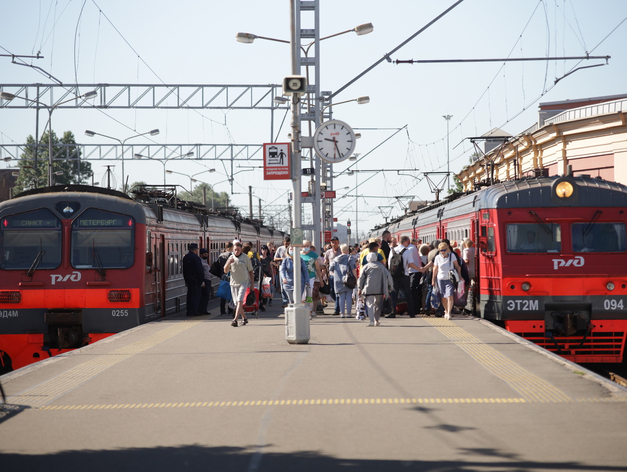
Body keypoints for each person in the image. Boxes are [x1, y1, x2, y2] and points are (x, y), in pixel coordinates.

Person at [387, 235, 430, 318]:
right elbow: (410, 264)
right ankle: (411, 312)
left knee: (394, 293)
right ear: (406, 241)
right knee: (408, 294)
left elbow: (389, 264)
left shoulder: (392, 250)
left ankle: (393, 312)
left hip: (394, 275)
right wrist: (420, 269)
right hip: (404, 275)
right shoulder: (407, 251)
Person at [358, 252, 394, 327]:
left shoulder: (366, 267)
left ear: (368, 259)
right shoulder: (382, 267)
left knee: (370, 304)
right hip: (380, 289)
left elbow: (361, 279)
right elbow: (389, 277)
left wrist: (359, 288)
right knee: (377, 304)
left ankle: (371, 321)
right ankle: (376, 320)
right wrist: (391, 287)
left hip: (368, 289)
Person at [223, 241, 255, 327]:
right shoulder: (231, 258)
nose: (236, 251)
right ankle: (244, 318)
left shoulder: (245, 258)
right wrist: (228, 263)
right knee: (237, 304)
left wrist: (252, 285)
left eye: (238, 250)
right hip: (233, 283)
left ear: (241, 250)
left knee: (239, 300)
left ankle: (235, 319)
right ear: (233, 250)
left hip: (243, 283)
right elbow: (225, 270)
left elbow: (251, 272)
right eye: (235, 250)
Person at [432, 242, 462, 320]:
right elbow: (435, 269)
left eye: (444, 250)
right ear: (439, 250)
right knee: (443, 297)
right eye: (441, 250)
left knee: (450, 295)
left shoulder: (452, 256)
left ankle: (449, 313)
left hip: (449, 278)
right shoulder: (437, 258)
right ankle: (446, 310)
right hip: (440, 278)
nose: (443, 252)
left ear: (447, 249)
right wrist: (433, 280)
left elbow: (457, 266)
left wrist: (460, 276)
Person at [329, 244, 357, 318]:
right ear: (348, 250)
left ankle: (342, 313)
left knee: (341, 296)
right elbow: (353, 269)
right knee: (348, 296)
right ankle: (348, 313)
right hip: (348, 280)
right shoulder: (350, 258)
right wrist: (356, 278)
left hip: (338, 279)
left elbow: (330, 269)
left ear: (341, 250)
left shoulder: (336, 259)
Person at [300, 240, 322, 318]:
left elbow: (317, 268)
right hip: (300, 278)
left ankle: (309, 312)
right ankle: (302, 312)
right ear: (300, 247)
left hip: (310, 278)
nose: (306, 247)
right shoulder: (298, 255)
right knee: (301, 296)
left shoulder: (313, 255)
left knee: (309, 295)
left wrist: (321, 279)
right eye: (304, 246)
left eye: (307, 246)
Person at [182, 243, 205, 317]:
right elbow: (199, 270)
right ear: (195, 250)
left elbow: (184, 270)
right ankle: (194, 311)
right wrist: (202, 280)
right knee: (196, 295)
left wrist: (186, 280)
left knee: (189, 295)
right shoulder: (196, 258)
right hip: (196, 279)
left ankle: (189, 311)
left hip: (188, 279)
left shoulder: (186, 257)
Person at [324, 237, 342, 315]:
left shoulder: (341, 251)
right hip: (331, 274)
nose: (334, 244)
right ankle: (338, 303)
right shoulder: (328, 252)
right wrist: (323, 272)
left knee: (338, 292)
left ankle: (337, 309)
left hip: (340, 275)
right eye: (332, 242)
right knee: (332, 292)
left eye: (335, 242)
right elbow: (325, 262)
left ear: (338, 242)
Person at [217, 242, 234, 316]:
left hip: (223, 276)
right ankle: (230, 309)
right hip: (230, 276)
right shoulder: (231, 255)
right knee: (231, 293)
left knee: (223, 294)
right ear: (231, 247)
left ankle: (222, 310)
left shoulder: (221, 255)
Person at [274, 236, 291, 308]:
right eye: (285, 244)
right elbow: (275, 258)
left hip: (290, 270)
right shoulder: (280, 249)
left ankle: (290, 300)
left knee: (290, 286)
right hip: (282, 269)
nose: (286, 245)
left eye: (288, 244)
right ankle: (284, 301)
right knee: (283, 286)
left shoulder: (292, 249)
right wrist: (281, 259)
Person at [259, 244, 274, 310]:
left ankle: (264, 305)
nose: (264, 251)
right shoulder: (259, 258)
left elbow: (271, 268)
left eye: (265, 250)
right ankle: (261, 302)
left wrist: (273, 278)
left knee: (266, 291)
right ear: (261, 250)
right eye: (263, 250)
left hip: (268, 277)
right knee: (260, 291)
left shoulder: (269, 259)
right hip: (261, 276)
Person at [198, 248, 212, 315]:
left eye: (207, 254)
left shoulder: (204, 261)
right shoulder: (200, 262)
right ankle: (202, 310)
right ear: (201, 255)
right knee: (204, 296)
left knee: (206, 296)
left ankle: (204, 309)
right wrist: (202, 281)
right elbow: (201, 272)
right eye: (205, 254)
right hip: (205, 280)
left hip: (208, 280)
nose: (206, 255)